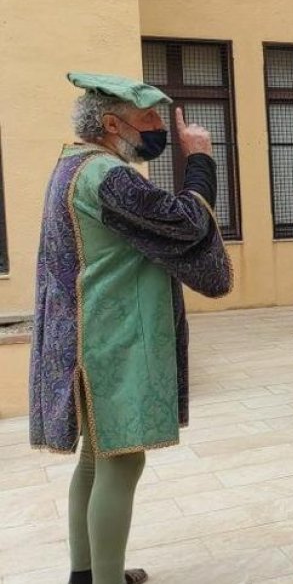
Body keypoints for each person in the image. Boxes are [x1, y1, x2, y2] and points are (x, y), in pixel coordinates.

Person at [30, 73, 233, 584]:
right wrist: (201, 160)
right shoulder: (108, 175)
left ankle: (88, 573)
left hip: (90, 334)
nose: (160, 128)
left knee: (97, 461)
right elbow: (184, 222)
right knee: (122, 463)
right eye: (149, 119)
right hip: (112, 340)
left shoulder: (71, 164)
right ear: (111, 123)